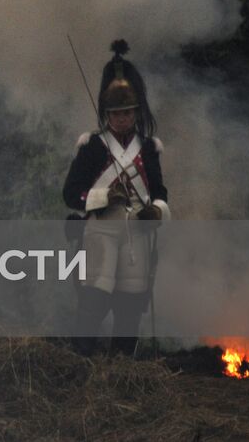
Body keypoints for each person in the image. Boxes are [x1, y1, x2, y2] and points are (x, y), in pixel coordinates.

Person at [63, 39, 169, 355]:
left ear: (135, 113)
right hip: (101, 229)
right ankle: (81, 359)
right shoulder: (92, 146)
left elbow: (160, 192)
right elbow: (71, 194)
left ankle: (122, 366)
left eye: (126, 113)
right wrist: (103, 197)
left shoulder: (149, 148)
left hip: (136, 230)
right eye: (115, 113)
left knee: (132, 300)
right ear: (106, 114)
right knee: (95, 293)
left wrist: (157, 211)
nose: (121, 119)